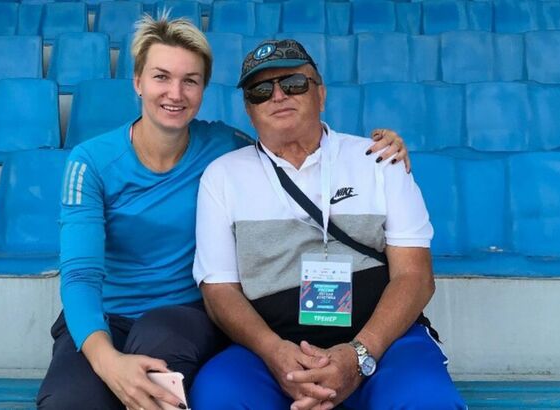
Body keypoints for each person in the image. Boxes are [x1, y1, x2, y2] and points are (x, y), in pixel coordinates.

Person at [36, 15, 411, 410]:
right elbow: (80, 275)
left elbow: (291, 148)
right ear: (138, 82)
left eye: (190, 80)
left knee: (158, 364)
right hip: (104, 316)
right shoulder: (90, 162)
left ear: (203, 89)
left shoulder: (225, 148)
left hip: (184, 315)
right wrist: (108, 361)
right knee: (67, 402)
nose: (175, 93)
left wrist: (382, 150)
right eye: (161, 77)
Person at [190, 39, 467, 410]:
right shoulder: (223, 176)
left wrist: (358, 355)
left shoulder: (378, 160)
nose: (278, 96)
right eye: (261, 90)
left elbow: (415, 276)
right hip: (269, 350)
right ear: (248, 109)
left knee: (426, 401)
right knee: (218, 397)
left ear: (320, 94)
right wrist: (275, 353)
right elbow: (219, 291)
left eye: (293, 83)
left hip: (381, 344)